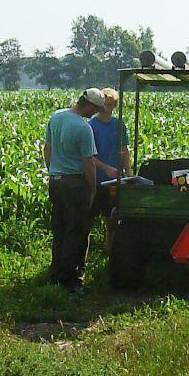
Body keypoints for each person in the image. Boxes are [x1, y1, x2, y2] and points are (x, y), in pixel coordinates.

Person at [43, 88, 105, 289]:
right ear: (89, 106)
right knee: (76, 231)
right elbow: (89, 164)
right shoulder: (83, 128)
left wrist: (52, 170)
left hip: (56, 180)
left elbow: (47, 148)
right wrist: (92, 189)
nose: (94, 114)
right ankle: (68, 278)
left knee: (59, 229)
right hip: (75, 184)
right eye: (95, 110)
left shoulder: (57, 116)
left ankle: (55, 273)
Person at [88, 87, 131, 247]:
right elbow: (88, 156)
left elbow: (124, 150)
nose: (109, 108)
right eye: (107, 104)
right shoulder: (91, 125)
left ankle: (109, 245)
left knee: (112, 216)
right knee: (90, 215)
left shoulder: (118, 124)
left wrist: (128, 172)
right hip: (96, 178)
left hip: (114, 179)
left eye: (112, 105)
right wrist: (104, 168)